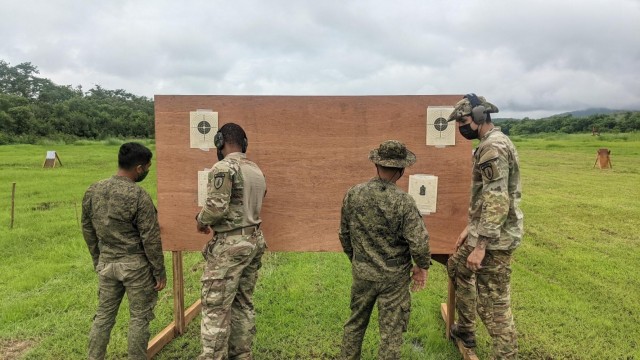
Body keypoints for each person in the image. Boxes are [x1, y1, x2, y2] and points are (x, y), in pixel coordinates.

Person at [339, 140, 431, 360]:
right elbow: (418, 242)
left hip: (363, 273)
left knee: (355, 325)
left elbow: (344, 234)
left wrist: (357, 259)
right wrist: (422, 267)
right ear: (401, 169)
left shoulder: (354, 194)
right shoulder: (404, 202)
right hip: (394, 278)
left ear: (376, 165)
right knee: (391, 334)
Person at [447, 94, 523, 359]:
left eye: (464, 121)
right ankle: (466, 330)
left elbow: (497, 199)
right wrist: (471, 227)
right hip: (484, 230)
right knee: (456, 266)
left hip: (495, 239)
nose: (461, 127)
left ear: (481, 117)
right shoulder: (489, 144)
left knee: (494, 308)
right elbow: (487, 195)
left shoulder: (493, 148)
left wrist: (481, 246)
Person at [82, 142, 166, 360]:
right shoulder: (139, 196)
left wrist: (97, 259)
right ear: (139, 168)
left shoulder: (93, 190)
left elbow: (88, 229)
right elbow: (151, 238)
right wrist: (159, 272)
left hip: (107, 264)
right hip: (135, 267)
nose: (147, 170)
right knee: (139, 318)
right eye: (147, 167)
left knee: (103, 317)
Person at [195, 122, 267, 360]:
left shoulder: (223, 167)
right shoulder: (255, 168)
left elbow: (216, 208)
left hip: (230, 246)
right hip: (253, 240)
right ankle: (241, 355)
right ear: (244, 143)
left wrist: (201, 220)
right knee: (242, 304)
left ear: (220, 142)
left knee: (215, 308)